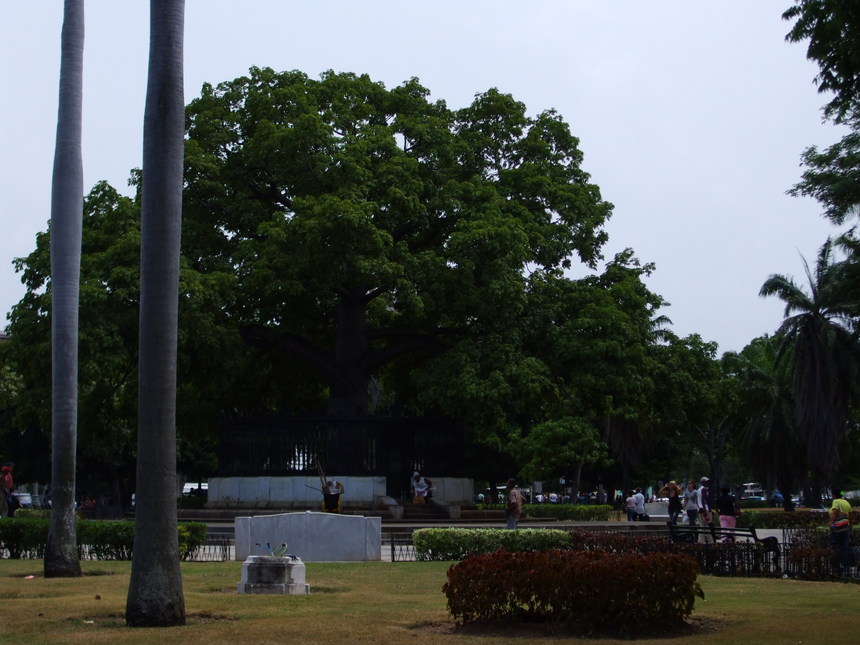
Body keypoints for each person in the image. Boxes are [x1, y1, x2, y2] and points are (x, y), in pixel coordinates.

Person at [828, 489, 853, 575]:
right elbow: (850, 516)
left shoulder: (836, 501)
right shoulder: (846, 502)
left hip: (837, 528)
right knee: (844, 547)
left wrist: (831, 523)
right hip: (846, 528)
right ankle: (844, 566)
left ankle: (836, 565)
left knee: (832, 546)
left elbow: (834, 512)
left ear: (834, 494)